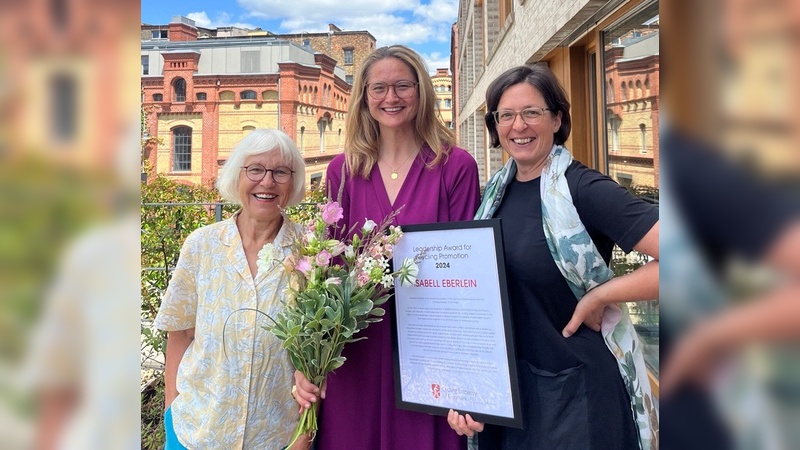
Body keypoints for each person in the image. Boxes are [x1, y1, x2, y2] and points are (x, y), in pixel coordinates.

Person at [447, 65, 660, 449]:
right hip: (511, 396)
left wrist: (600, 295)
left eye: (532, 112)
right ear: (494, 126)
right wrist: (467, 385)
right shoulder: (494, 194)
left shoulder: (583, 188)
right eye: (505, 115)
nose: (518, 125)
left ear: (557, 118)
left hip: (577, 400)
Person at [291, 45, 480, 450]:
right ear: (364, 97)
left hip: (430, 350)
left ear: (421, 92)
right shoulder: (343, 170)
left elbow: (469, 276)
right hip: (356, 349)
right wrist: (310, 358)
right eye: (378, 88)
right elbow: (327, 268)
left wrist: (467, 375)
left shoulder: (456, 166)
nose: (390, 98)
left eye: (402, 86)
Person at [153, 129, 310, 449]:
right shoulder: (202, 246)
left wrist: (304, 435)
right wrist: (171, 410)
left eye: (280, 171)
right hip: (198, 433)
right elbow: (179, 332)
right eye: (255, 169)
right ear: (237, 175)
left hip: (276, 435)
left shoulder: (311, 252)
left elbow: (321, 355)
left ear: (293, 183)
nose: (267, 181)